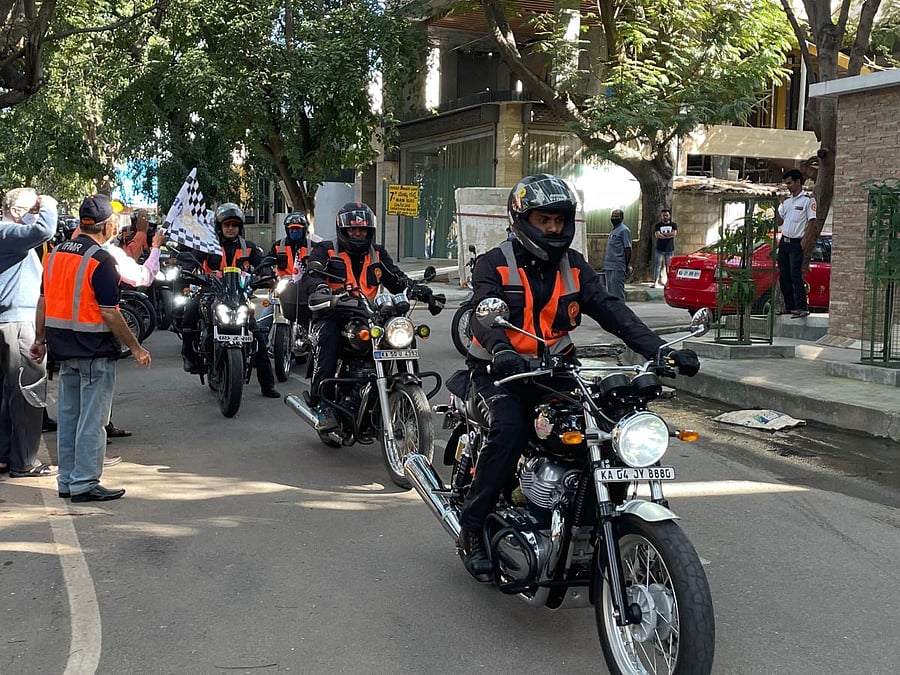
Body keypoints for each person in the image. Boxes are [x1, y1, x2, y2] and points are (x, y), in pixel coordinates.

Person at [459, 174, 700, 582]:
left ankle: (592, 520)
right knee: (510, 432)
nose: (553, 228)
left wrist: (660, 350)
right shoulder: (494, 263)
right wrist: (501, 349)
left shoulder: (575, 267)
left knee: (607, 431)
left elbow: (612, 311)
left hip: (556, 372)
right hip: (498, 374)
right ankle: (473, 528)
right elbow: (482, 311)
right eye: (543, 219)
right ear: (522, 219)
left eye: (559, 220)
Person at [30, 194, 151, 502]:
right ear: (108, 226)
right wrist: (136, 348)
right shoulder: (101, 260)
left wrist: (40, 339)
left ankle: (68, 481)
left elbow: (43, 300)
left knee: (69, 419)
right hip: (94, 351)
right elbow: (110, 311)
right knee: (92, 422)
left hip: (63, 351)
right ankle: (84, 482)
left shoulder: (55, 255)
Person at [301, 201, 435, 431]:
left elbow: (396, 279)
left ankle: (410, 395)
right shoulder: (326, 249)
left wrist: (419, 290)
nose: (357, 234)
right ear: (343, 231)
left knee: (403, 332)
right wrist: (321, 289)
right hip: (334, 312)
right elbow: (311, 274)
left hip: (369, 314)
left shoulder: (378, 253)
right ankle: (324, 404)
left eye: (362, 230)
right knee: (328, 337)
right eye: (353, 230)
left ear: (369, 231)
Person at [179, 202, 280, 398]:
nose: (231, 228)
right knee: (190, 312)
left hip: (239, 296)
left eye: (234, 225)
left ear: (240, 227)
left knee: (257, 337)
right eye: (227, 225)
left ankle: (267, 385)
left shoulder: (249, 248)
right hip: (211, 293)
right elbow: (192, 258)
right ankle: (188, 354)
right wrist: (185, 267)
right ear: (220, 226)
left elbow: (262, 265)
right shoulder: (208, 245)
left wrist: (267, 274)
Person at [1, 188, 57, 477]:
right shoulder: (8, 233)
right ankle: (24, 462)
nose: (36, 214)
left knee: (9, 394)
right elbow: (46, 229)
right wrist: (46, 202)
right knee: (27, 392)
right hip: (18, 323)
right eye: (31, 209)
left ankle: (6, 454)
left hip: (10, 321)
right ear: (18, 212)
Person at [777, 168, 817, 318]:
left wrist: (805, 240)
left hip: (796, 242)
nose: (788, 186)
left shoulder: (807, 200)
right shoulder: (787, 202)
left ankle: (802, 307)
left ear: (798, 182)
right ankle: (789, 306)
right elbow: (780, 221)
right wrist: (776, 206)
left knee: (795, 275)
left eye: (790, 183)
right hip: (785, 242)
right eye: (786, 183)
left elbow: (812, 220)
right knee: (783, 275)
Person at [268, 212, 310, 280]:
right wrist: (270, 276)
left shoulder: (313, 247)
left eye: (298, 229)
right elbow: (268, 264)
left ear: (304, 230)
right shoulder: (277, 246)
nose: (295, 231)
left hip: (306, 285)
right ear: (287, 230)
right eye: (292, 229)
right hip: (283, 284)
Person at [603, 209, 632, 301]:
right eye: (613, 216)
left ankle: (621, 313)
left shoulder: (624, 230)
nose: (614, 218)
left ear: (622, 218)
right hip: (609, 266)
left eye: (617, 216)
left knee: (618, 293)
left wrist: (626, 265)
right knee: (610, 293)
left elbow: (628, 249)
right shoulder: (613, 231)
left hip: (618, 266)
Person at [653, 208, 677, 287]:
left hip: (669, 249)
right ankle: (656, 281)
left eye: (666, 215)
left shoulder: (673, 225)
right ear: (661, 216)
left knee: (669, 266)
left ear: (669, 216)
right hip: (659, 249)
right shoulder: (658, 225)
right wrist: (668, 235)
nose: (665, 217)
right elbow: (657, 235)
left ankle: (669, 281)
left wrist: (663, 235)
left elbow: (674, 234)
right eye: (663, 215)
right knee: (657, 265)